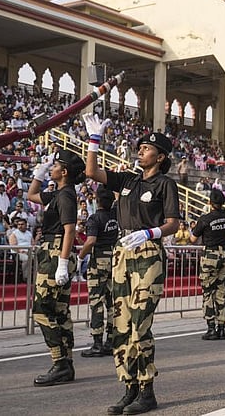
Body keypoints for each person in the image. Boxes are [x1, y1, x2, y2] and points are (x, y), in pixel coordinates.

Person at [83, 113, 181, 415]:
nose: (140, 150)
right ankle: (129, 387)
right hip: (122, 253)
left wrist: (150, 232)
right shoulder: (128, 179)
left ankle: (147, 390)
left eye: (146, 148)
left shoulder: (166, 184)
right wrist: (94, 141)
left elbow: (173, 223)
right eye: (139, 146)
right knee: (121, 326)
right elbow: (92, 172)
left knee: (140, 325)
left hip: (148, 253)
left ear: (160, 156)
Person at [26, 150, 86, 387]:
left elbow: (69, 230)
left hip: (56, 252)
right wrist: (38, 174)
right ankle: (66, 363)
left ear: (64, 172)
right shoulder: (58, 193)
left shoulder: (65, 196)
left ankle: (60, 362)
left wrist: (62, 263)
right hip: (54, 252)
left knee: (42, 310)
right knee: (60, 311)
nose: (51, 167)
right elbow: (32, 195)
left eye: (54, 166)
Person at [189, 170, 225, 341]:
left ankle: (211, 328)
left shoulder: (205, 218)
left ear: (210, 202)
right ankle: (222, 327)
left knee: (208, 292)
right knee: (221, 291)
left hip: (210, 254)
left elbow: (192, 238)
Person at [79, 187, 120, 358]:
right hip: (114, 260)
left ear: (96, 202)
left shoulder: (94, 218)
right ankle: (111, 341)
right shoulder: (116, 215)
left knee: (96, 302)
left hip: (98, 261)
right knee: (112, 303)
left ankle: (97, 343)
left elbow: (90, 241)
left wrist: (81, 257)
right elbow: (117, 198)